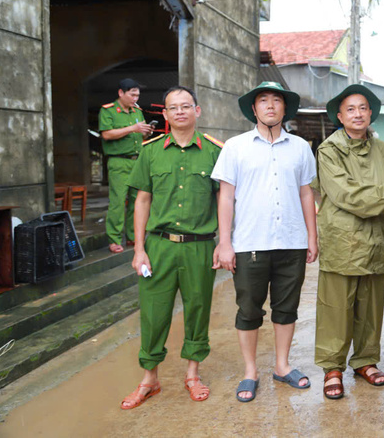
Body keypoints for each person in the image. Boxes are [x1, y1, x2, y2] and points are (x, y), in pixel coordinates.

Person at [211, 81, 318, 403]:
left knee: (287, 308)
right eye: (263, 100)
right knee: (248, 309)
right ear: (254, 109)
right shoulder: (235, 147)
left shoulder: (300, 147)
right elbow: (226, 196)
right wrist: (224, 242)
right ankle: (250, 371)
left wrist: (312, 237)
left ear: (285, 108)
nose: (270, 105)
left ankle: (282, 366)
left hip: (291, 242)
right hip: (249, 243)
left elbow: (305, 193)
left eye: (276, 100)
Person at [121, 86, 223, 409]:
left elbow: (223, 199)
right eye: (173, 108)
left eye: (186, 106)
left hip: (199, 246)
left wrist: (225, 243)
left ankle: (193, 374)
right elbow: (142, 200)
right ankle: (149, 379)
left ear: (198, 111)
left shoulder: (213, 152)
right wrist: (139, 249)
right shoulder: (151, 152)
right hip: (159, 246)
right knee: (153, 312)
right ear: (164, 115)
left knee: (197, 308)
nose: (180, 112)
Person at [313, 84, 384, 400]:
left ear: (371, 113)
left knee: (370, 305)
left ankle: (365, 361)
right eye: (351, 109)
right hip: (341, 238)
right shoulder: (329, 150)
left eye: (363, 108)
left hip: (375, 238)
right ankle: (332, 367)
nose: (358, 114)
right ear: (340, 116)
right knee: (336, 307)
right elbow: (345, 194)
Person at [99, 78, 154, 253]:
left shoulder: (137, 111)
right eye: (132, 94)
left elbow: (141, 137)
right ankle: (114, 239)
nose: (135, 98)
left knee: (136, 201)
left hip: (137, 160)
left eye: (137, 95)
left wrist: (146, 132)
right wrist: (133, 128)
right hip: (119, 161)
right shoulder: (108, 111)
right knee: (118, 200)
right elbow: (107, 134)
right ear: (121, 93)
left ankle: (132, 236)